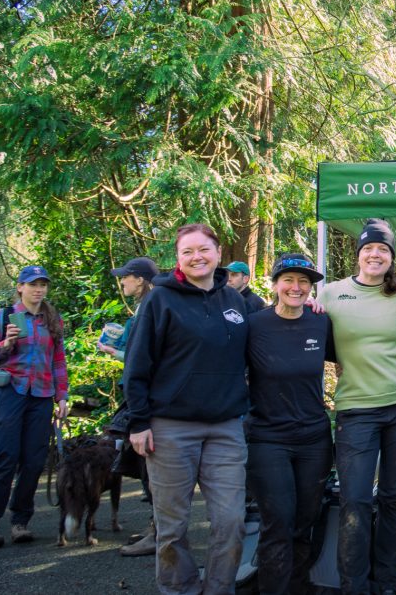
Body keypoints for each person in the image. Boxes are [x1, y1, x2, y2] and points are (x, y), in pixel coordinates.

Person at [124, 223, 251, 594]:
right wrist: (138, 422)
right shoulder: (160, 299)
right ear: (178, 258)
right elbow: (137, 363)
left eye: (203, 249)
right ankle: (180, 589)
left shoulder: (235, 301)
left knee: (231, 521)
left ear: (217, 252)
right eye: (187, 252)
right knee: (172, 526)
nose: (196, 257)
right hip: (169, 427)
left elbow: (264, 333)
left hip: (225, 427)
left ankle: (218, 588)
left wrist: (306, 305)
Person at [318, 219, 396, 595]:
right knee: (356, 501)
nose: (376, 254)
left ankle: (386, 582)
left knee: (395, 499)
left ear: (391, 257)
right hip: (356, 409)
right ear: (359, 254)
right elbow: (314, 339)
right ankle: (355, 586)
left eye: (383, 249)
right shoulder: (330, 294)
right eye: (369, 248)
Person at [245, 253, 334, 595]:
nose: (296, 288)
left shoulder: (321, 322)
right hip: (268, 439)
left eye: (304, 282)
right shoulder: (255, 325)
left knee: (305, 522)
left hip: (314, 438)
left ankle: (299, 586)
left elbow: (344, 360)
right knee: (278, 523)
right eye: (289, 280)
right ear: (275, 284)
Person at [0, 266, 68, 548]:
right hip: (9, 395)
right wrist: (6, 343)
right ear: (20, 287)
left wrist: (62, 396)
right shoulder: (3, 316)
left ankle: (20, 522)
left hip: (41, 395)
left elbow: (58, 361)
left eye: (43, 284)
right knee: (4, 458)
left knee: (33, 462)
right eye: (32, 284)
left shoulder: (52, 320)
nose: (38, 289)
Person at [97, 255, 160, 557]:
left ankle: (160, 532)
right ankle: (155, 527)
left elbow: (145, 358)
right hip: (141, 396)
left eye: (126, 276)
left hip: (152, 401)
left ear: (141, 279)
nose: (122, 281)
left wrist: (116, 353)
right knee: (143, 463)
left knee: (152, 466)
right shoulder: (142, 306)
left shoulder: (152, 305)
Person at [97, 256, 159, 362]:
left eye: (125, 277)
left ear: (139, 280)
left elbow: (141, 357)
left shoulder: (148, 309)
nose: (121, 281)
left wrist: (112, 351)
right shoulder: (153, 304)